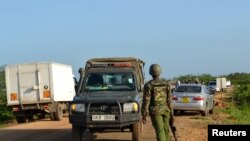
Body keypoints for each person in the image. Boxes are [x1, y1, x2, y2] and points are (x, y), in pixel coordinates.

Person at [141, 64, 174, 141]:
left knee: (160, 131)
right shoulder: (166, 83)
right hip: (166, 110)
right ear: (160, 72)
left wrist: (144, 114)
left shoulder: (149, 85)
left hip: (155, 111)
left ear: (151, 73)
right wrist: (172, 113)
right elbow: (169, 99)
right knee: (166, 131)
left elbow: (146, 100)